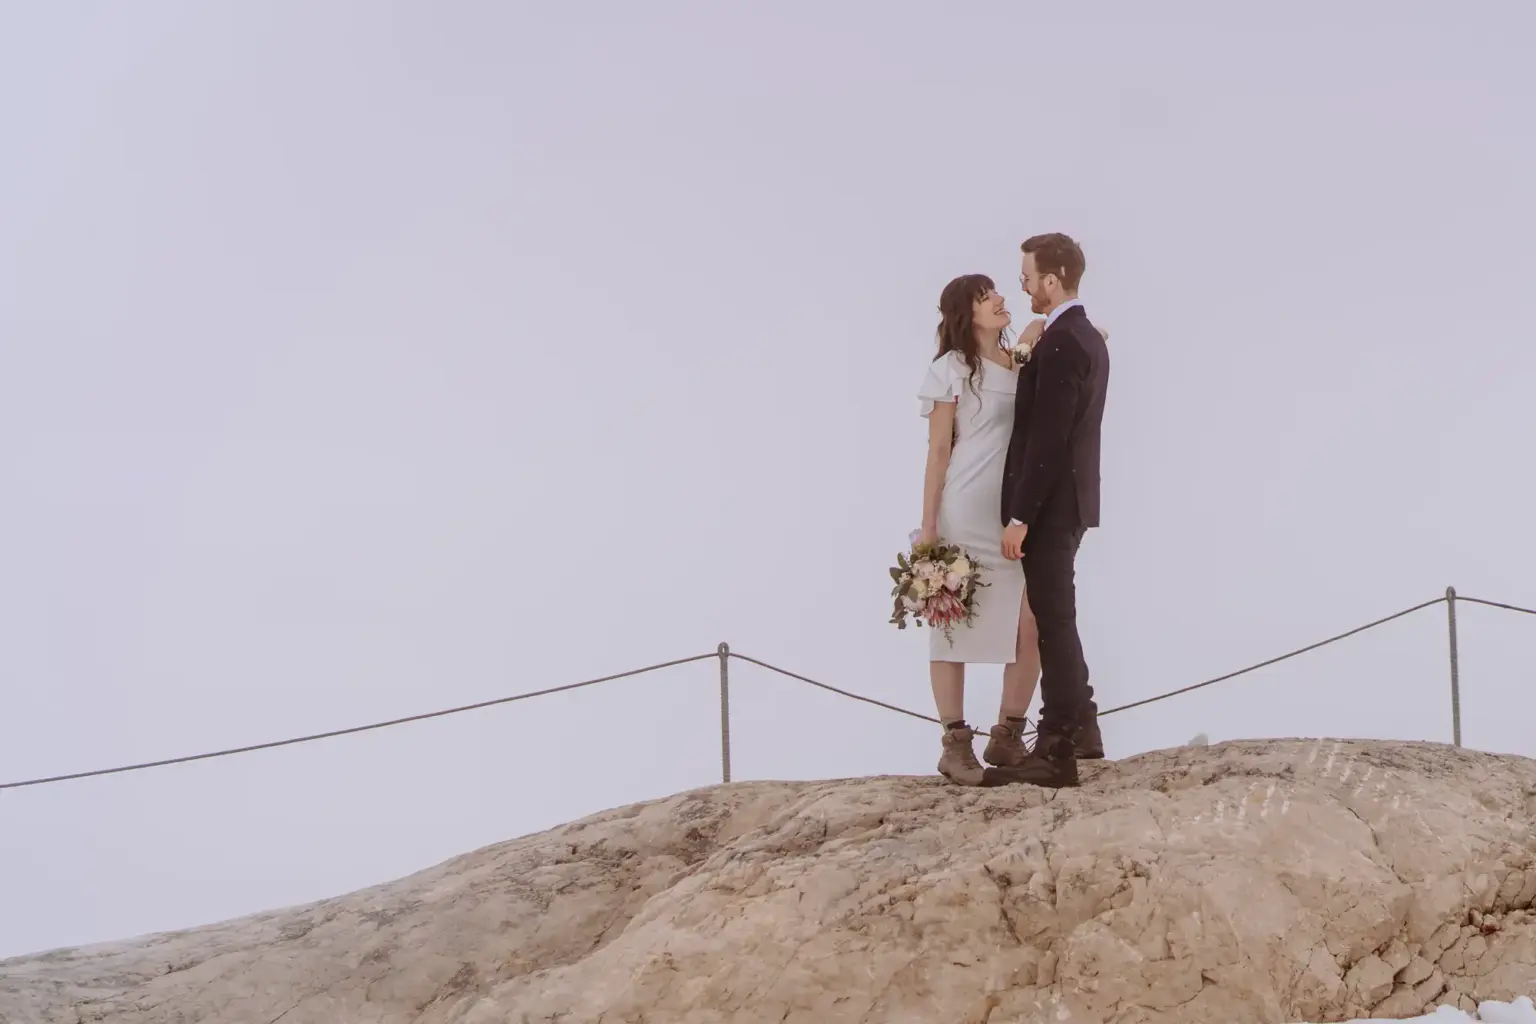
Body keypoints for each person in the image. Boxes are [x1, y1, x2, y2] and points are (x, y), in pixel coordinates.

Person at [916, 274, 1044, 786]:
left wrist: (1035, 334)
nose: (999, 298)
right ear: (965, 314)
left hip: (1013, 514)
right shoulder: (949, 369)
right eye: (985, 296)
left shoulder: (1019, 362)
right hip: (964, 511)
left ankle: (1007, 735)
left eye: (995, 291)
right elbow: (938, 450)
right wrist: (929, 527)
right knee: (950, 622)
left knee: (1032, 620)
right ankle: (954, 743)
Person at [998, 232, 1111, 789]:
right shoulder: (1084, 336)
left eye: (1027, 278)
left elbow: (1049, 437)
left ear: (1052, 278)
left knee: (1053, 622)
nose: (1023, 288)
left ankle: (1057, 745)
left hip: (1052, 504)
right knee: (1057, 617)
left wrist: (1021, 516)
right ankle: (1083, 725)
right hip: (1073, 499)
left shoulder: (1064, 341)